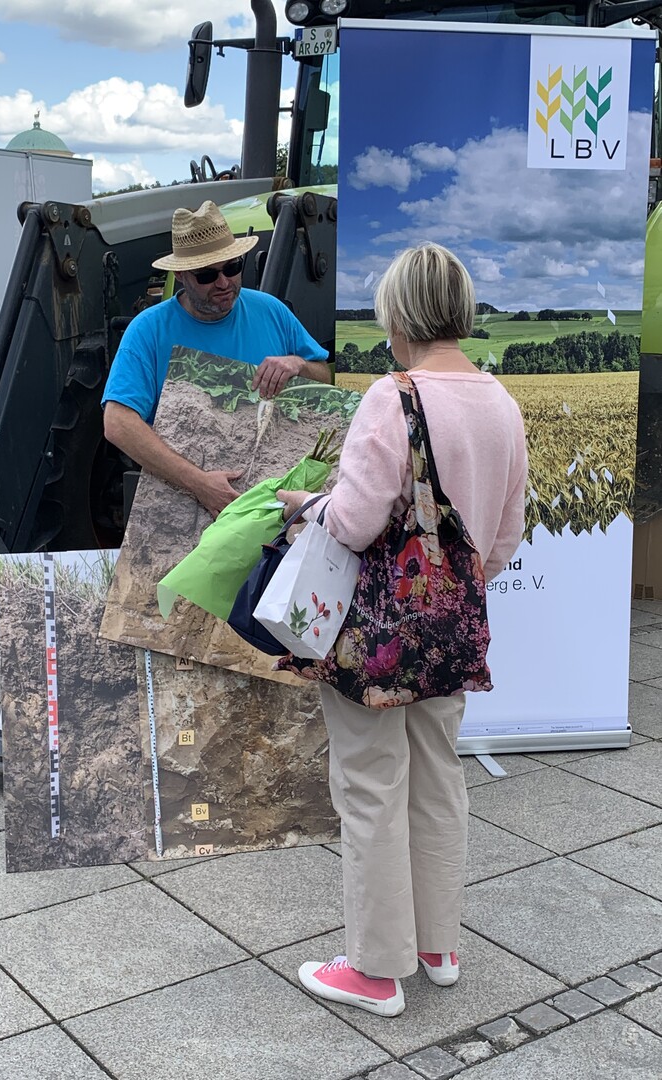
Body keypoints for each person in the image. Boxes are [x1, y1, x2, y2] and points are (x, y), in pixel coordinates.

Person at [277, 243, 528, 1018]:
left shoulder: (395, 396)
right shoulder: (501, 402)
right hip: (454, 630)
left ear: (400, 313)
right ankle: (437, 946)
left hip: (378, 638)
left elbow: (351, 523)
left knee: (369, 783)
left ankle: (377, 970)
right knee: (438, 777)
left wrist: (302, 508)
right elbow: (504, 541)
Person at [102, 200, 331, 517]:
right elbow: (117, 423)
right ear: (181, 275)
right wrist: (198, 483)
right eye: (207, 275)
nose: (224, 282)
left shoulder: (272, 311)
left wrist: (299, 364)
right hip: (187, 508)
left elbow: (325, 378)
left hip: (276, 504)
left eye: (232, 267)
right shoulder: (149, 330)